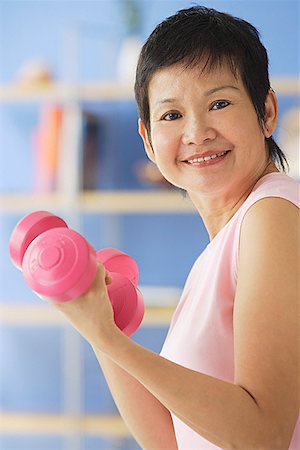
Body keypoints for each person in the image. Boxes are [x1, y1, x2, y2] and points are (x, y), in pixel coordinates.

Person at [55, 6, 299, 449]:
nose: (197, 132)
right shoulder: (224, 244)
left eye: (219, 103)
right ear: (148, 140)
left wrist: (114, 341)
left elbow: (265, 436)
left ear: (266, 111)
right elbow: (171, 441)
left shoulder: (272, 215)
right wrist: (102, 331)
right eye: (171, 116)